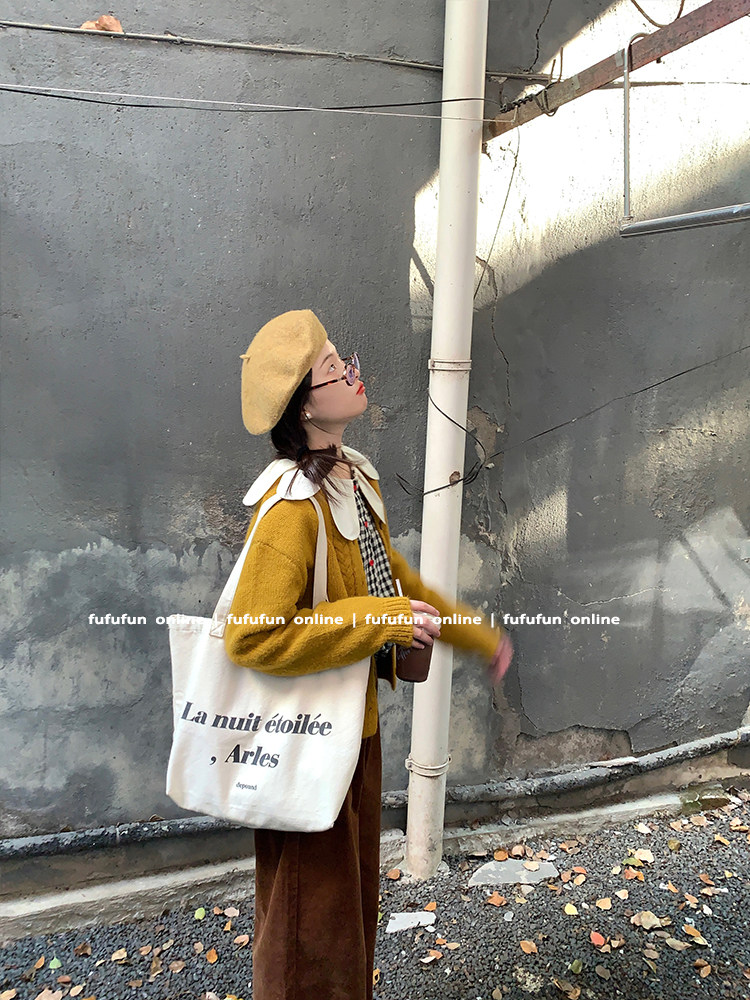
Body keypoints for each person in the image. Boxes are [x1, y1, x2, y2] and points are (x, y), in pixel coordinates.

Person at [223, 309, 513, 1000]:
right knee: (307, 931)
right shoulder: (291, 506)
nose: (352, 372)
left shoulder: (352, 477)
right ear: (303, 405)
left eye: (340, 356)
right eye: (332, 368)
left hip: (353, 733)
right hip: (304, 738)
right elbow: (251, 634)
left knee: (347, 917)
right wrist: (380, 621)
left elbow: (392, 579)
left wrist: (474, 633)